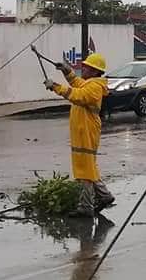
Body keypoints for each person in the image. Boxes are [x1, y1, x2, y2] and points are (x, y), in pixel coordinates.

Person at [44, 52, 115, 217]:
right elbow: (77, 83)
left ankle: (86, 207)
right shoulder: (91, 83)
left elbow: (78, 95)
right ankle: (105, 196)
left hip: (87, 132)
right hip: (84, 131)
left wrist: (56, 87)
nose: (83, 69)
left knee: (84, 170)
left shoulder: (95, 87)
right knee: (88, 167)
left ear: (95, 71)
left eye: (87, 67)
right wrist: (66, 71)